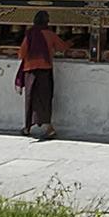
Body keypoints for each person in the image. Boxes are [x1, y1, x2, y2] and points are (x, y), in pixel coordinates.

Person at [15, 9, 71, 139]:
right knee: (44, 99)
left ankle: (28, 128)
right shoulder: (49, 34)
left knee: (31, 98)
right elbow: (62, 47)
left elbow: (21, 54)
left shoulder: (30, 34)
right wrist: (71, 42)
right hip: (45, 70)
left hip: (30, 71)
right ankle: (48, 128)